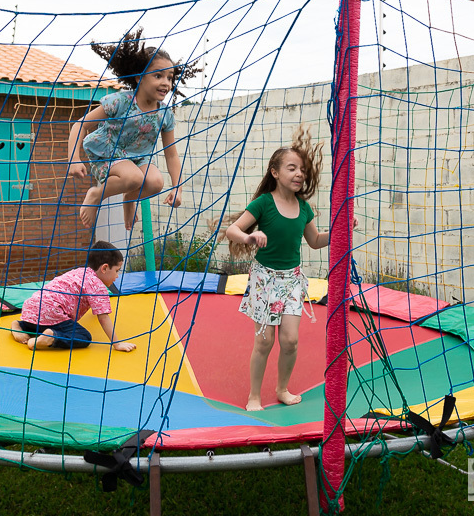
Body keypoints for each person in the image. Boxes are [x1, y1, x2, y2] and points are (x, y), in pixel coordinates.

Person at [225, 128, 328, 411]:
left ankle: (282, 388)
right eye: (291, 168)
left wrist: (341, 230)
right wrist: (249, 237)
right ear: (275, 172)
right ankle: (254, 396)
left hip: (292, 280)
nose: (299, 174)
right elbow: (232, 229)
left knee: (291, 341)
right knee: (264, 341)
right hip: (264, 279)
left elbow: (316, 241)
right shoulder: (264, 203)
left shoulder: (304, 207)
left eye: (302, 170)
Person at [68, 28, 200, 230]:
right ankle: (96, 194)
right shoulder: (120, 101)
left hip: (139, 158)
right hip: (109, 152)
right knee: (133, 177)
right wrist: (74, 159)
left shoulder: (165, 114)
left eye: (170, 77)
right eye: (158, 76)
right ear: (139, 77)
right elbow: (80, 125)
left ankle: (129, 199)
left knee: (156, 182)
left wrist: (178, 188)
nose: (165, 82)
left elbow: (171, 155)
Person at [11, 241, 136, 352]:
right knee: (83, 337)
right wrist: (117, 344)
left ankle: (20, 325)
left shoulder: (80, 271)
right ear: (104, 268)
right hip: (52, 311)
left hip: (32, 308)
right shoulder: (98, 286)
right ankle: (50, 338)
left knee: (41, 321)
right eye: (117, 270)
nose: (117, 276)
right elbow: (103, 318)